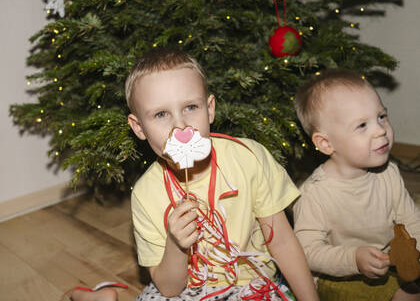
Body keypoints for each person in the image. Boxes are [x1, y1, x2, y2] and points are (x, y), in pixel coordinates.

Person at [71, 47, 318, 301]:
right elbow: (169, 289)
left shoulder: (249, 158)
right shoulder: (147, 194)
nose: (181, 127)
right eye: (160, 114)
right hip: (187, 292)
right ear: (139, 127)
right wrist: (176, 246)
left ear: (209, 109)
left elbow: (284, 243)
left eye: (190, 107)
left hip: (253, 288)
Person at [292, 69, 420, 301]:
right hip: (339, 275)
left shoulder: (388, 173)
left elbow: (410, 220)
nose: (381, 130)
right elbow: (307, 252)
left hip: (390, 261)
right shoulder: (314, 194)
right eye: (362, 125)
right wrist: (354, 259)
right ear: (326, 143)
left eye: (381, 116)